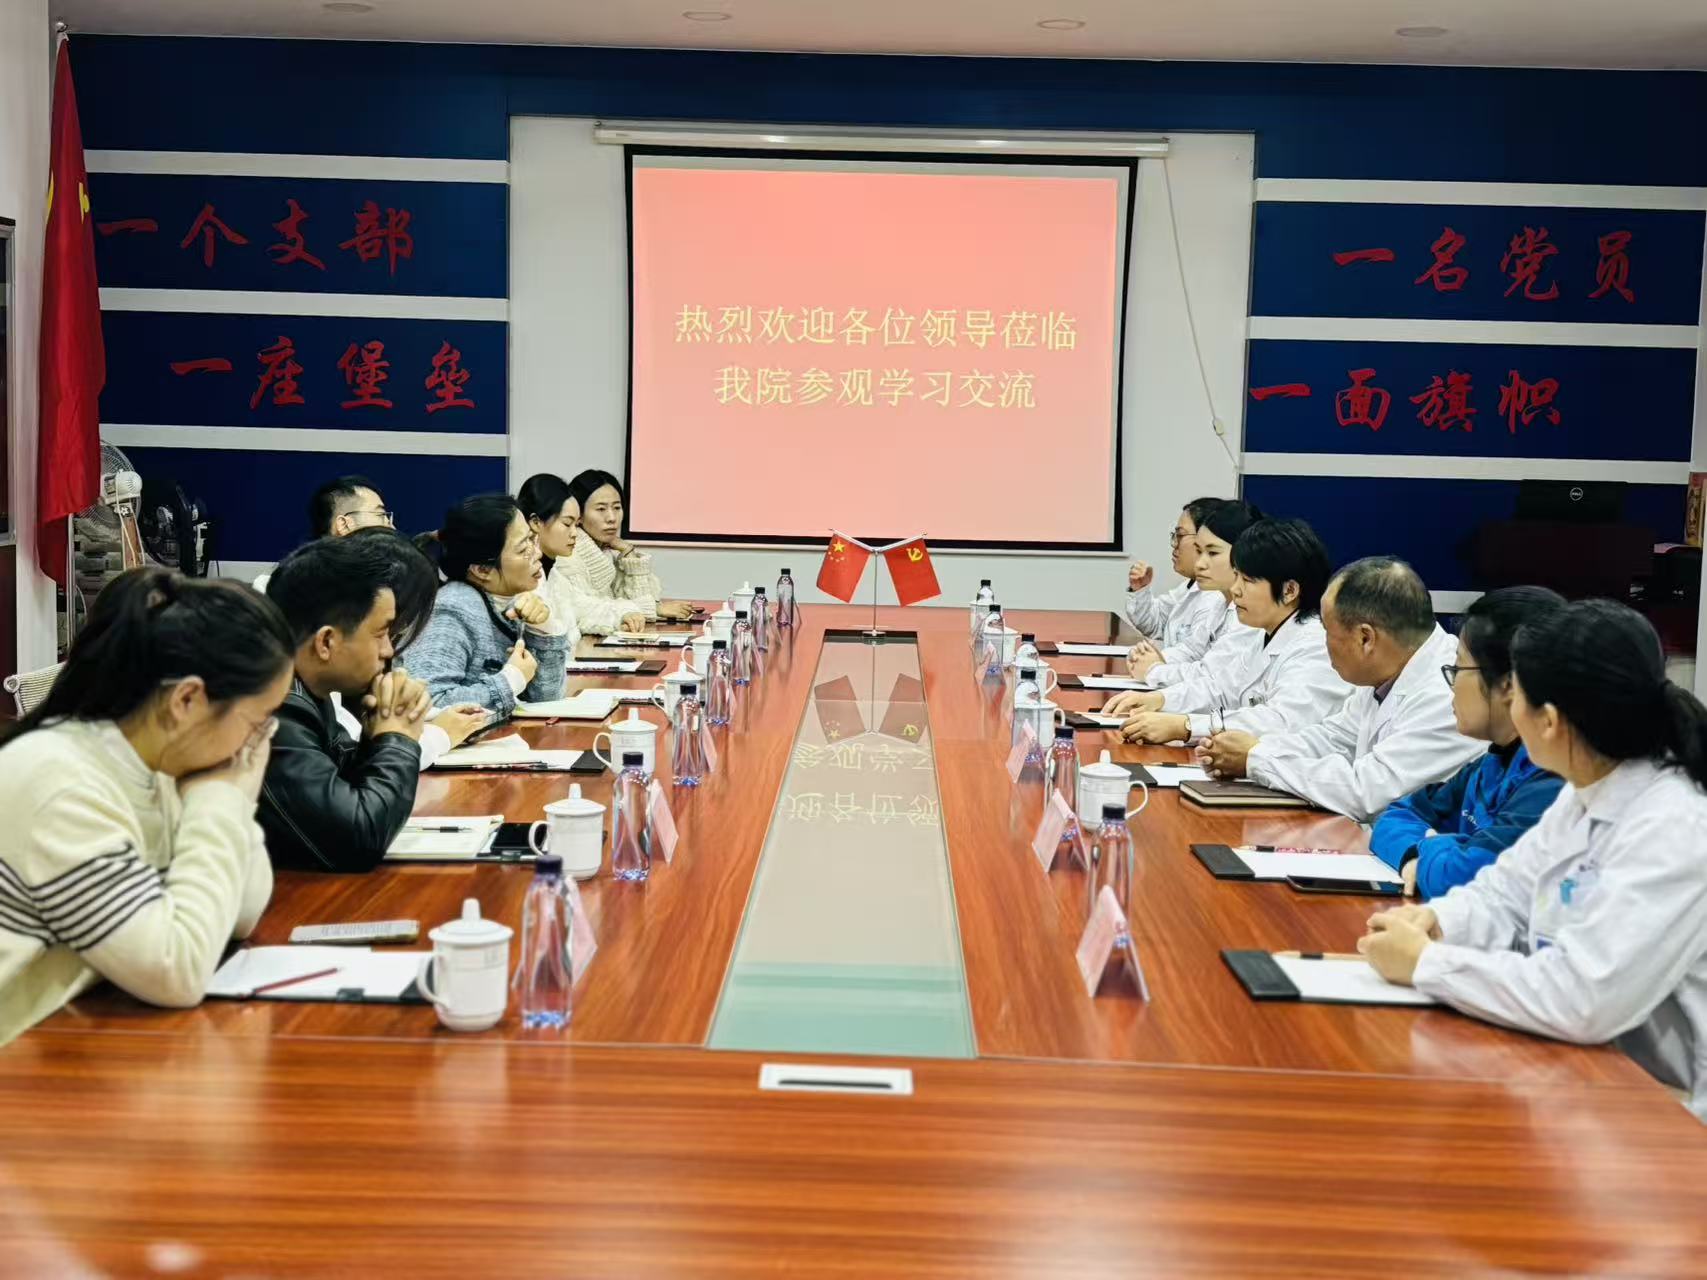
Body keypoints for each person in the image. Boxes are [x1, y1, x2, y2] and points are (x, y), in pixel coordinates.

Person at [1358, 600, 1707, 1122]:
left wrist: (1428, 963)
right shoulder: (1586, 789)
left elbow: (1584, 997)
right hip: (1585, 1072)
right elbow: (1503, 891)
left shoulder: (1674, 827)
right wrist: (1437, 921)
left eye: (1516, 693)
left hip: (1668, 1112)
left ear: (1548, 721)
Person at [0, 570, 292, 1044]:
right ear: (187, 699)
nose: (258, 743)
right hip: (22, 1053)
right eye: (259, 722)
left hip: (73, 1032)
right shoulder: (62, 782)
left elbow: (240, 914)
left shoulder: (160, 764)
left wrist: (231, 797)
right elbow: (178, 969)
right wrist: (223, 799)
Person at [1197, 557, 1482, 822]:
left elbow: (1368, 793)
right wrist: (1251, 750)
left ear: (1365, 638)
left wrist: (1257, 760)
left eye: (1328, 632)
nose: (1324, 644)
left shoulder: (1447, 693)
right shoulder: (1386, 671)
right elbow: (1333, 738)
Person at [1370, 586, 1567, 899]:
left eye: (1459, 668)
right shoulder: (1491, 763)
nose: (1452, 685)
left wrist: (1431, 847)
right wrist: (1417, 854)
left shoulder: (1552, 781)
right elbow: (1392, 817)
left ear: (1508, 685)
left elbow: (1466, 876)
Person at [258, 535, 439, 873]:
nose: (388, 650)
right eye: (381, 633)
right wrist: (397, 738)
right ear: (326, 642)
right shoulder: (275, 707)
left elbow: (342, 789)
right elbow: (356, 838)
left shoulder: (307, 689)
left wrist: (375, 737)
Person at [1108, 518, 1351, 744]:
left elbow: (1280, 722)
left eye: (1247, 580)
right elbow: (1220, 688)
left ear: (1289, 591)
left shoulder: (1316, 646)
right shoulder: (1265, 634)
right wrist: (1159, 700)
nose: (1235, 590)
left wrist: (1185, 726)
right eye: (1236, 577)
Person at [408, 494, 569, 715]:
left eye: (532, 539)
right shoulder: (451, 610)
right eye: (523, 549)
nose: (537, 553)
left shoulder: (511, 599)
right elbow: (428, 702)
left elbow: (547, 698)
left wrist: (543, 628)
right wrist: (511, 679)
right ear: (482, 570)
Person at [1108, 500, 1264, 696]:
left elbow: (1211, 678)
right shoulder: (1220, 602)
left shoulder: (1249, 614)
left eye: (1212, 553)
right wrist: (1150, 659)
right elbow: (1192, 650)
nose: (1199, 564)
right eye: (1199, 551)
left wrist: (1154, 669)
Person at [560, 469, 694, 635]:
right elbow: (585, 610)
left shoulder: (608, 552)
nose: (612, 518)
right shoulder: (568, 555)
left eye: (617, 507)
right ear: (578, 515)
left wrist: (628, 552)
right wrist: (654, 609)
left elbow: (645, 598)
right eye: (601, 509)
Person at [1123, 497, 1227, 668]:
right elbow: (1154, 623)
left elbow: (1193, 653)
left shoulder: (1217, 596)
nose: (1174, 544)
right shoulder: (1191, 586)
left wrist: (1152, 662)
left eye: (1180, 536)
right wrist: (1140, 590)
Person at [253, 475, 393, 594]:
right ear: (344, 525)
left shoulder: (390, 587)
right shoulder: (274, 589)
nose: (392, 527)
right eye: (381, 515)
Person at [516, 472, 583, 654]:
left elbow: (583, 606)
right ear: (536, 522)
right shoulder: (521, 575)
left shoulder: (553, 571)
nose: (575, 533)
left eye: (577, 525)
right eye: (567, 524)